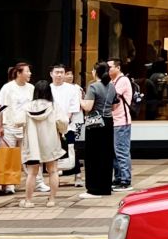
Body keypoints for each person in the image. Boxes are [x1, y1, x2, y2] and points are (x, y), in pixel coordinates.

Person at [0, 62, 42, 195]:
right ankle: (9, 183)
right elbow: (1, 107)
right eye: (27, 71)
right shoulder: (7, 88)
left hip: (26, 126)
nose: (30, 74)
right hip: (9, 126)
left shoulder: (31, 88)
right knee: (9, 155)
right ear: (19, 73)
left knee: (30, 155)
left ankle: (38, 182)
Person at [22, 82, 65, 208]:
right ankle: (51, 200)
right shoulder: (54, 106)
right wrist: (61, 131)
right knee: (52, 171)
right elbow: (62, 122)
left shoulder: (27, 107)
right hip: (50, 143)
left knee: (32, 173)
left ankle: (28, 201)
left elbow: (17, 121)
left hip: (32, 144)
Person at [80, 62, 113, 198]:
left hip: (95, 123)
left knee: (93, 155)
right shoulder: (112, 86)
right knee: (106, 155)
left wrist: (79, 99)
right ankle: (105, 187)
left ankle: (93, 189)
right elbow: (115, 105)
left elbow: (87, 107)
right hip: (108, 121)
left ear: (95, 72)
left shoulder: (93, 86)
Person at [50, 64, 83, 186]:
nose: (59, 74)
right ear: (51, 74)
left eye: (61, 72)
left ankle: (77, 176)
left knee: (71, 149)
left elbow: (73, 107)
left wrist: (64, 121)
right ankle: (55, 176)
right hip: (51, 126)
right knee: (54, 151)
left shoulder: (71, 89)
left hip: (68, 124)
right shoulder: (49, 88)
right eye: (56, 72)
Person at [107, 58, 134, 191]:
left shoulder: (123, 80)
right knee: (115, 152)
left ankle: (125, 180)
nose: (108, 69)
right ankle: (118, 178)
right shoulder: (112, 81)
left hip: (121, 122)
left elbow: (111, 97)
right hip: (114, 121)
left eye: (110, 67)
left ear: (118, 68)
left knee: (121, 151)